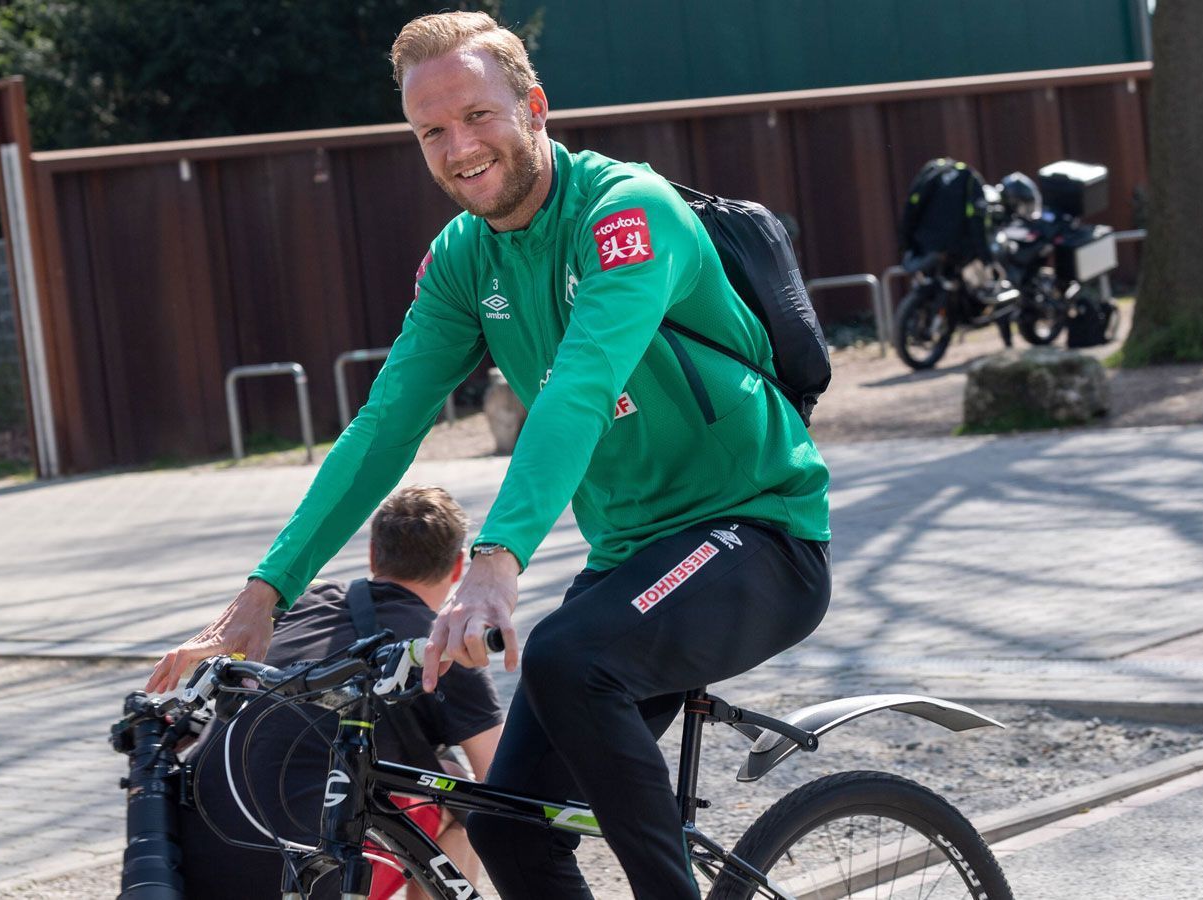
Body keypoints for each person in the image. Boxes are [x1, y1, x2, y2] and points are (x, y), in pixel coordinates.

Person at [149, 11, 831, 898]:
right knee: (509, 829)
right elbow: (385, 425)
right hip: (635, 559)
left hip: (759, 536)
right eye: (432, 130)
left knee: (562, 654)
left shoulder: (629, 211)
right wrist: (262, 595)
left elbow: (579, 388)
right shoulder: (464, 259)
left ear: (535, 107)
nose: (458, 147)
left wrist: (495, 561)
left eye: (477, 115)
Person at [177, 486, 502, 899]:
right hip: (302, 878)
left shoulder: (305, 605)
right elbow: (499, 773)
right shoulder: (438, 645)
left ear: (373, 555)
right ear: (457, 567)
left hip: (202, 859)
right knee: (462, 803)